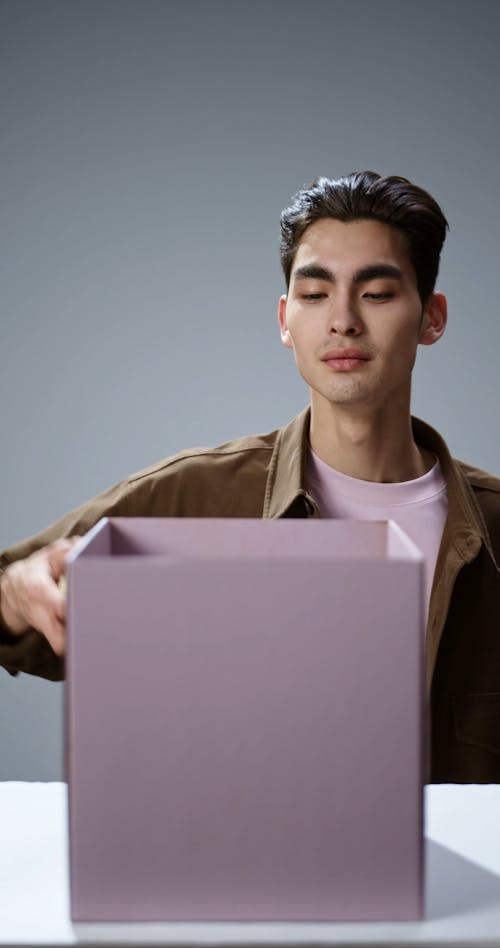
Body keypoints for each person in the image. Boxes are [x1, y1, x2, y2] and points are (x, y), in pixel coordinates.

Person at [1, 171, 499, 782]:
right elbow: (15, 588)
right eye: (315, 295)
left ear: (432, 318)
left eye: (376, 294)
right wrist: (16, 595)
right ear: (286, 320)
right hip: (239, 872)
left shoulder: (493, 530)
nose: (342, 320)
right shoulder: (194, 495)